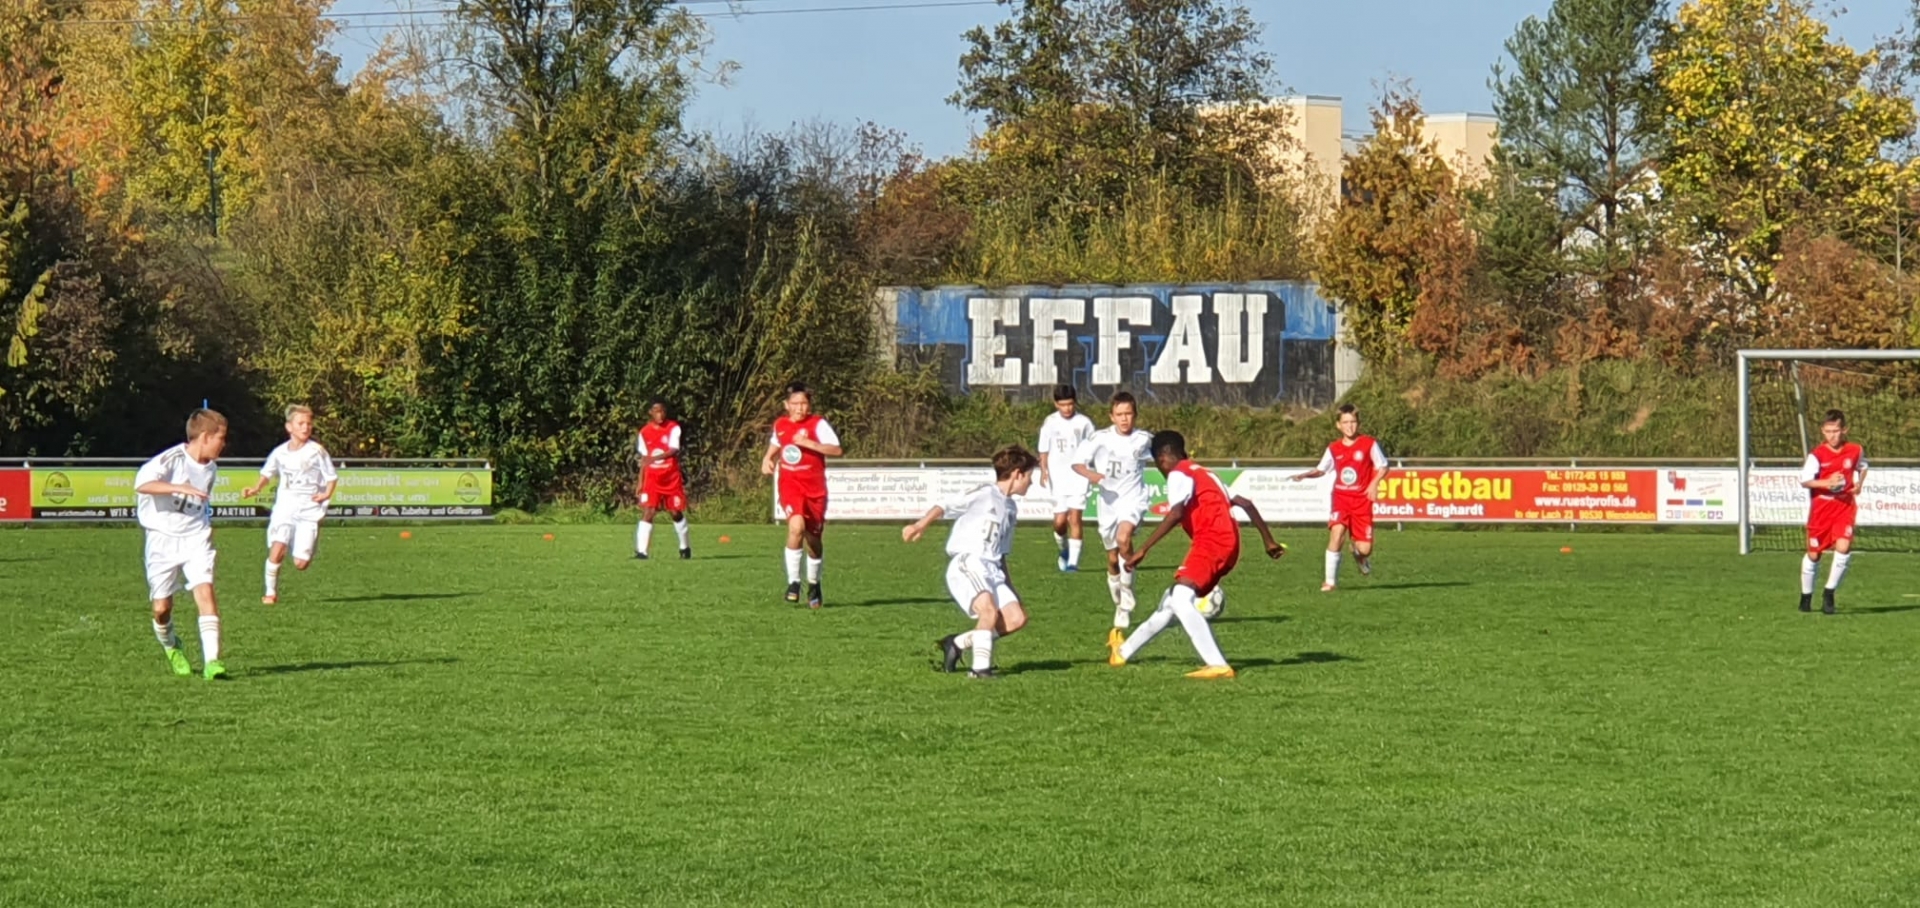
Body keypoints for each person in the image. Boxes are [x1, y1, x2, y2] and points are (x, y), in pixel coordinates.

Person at [1113, 431, 1286, 679]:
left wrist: (1143, 549)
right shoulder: (1205, 473)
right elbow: (1246, 503)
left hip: (1212, 542)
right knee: (1170, 601)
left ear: (1162, 458)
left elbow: (1175, 513)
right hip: (1228, 544)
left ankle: (1217, 664)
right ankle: (1123, 652)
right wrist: (1268, 540)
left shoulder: (1178, 473)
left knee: (1182, 598)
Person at [902, 444, 1039, 680]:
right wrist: (919, 525)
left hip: (992, 569)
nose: (1031, 482)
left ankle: (956, 643)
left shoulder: (1011, 508)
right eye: (1029, 476)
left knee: (1017, 618)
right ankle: (980, 671)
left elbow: (1001, 553)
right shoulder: (985, 493)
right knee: (988, 611)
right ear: (1017, 474)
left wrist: (1011, 588)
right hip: (968, 561)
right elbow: (944, 505)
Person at [135, 408, 230, 680]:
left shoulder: (210, 467)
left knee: (205, 592)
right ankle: (171, 646)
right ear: (204, 437)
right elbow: (142, 484)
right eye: (220, 438)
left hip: (196, 537)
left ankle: (213, 662)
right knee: (161, 609)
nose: (223, 443)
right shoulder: (171, 458)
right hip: (161, 538)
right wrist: (179, 488)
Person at [1072, 392, 1154, 646]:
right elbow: (1077, 463)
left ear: (1135, 415)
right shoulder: (1100, 439)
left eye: (1128, 413)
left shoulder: (1144, 439)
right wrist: (1092, 474)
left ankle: (1127, 592)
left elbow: (1164, 458)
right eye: (1119, 414)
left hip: (1133, 500)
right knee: (1111, 558)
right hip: (1108, 504)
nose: (1124, 419)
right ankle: (1119, 600)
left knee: (1124, 538)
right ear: (1112, 416)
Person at [241, 404, 338, 604]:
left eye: (309, 424)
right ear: (289, 427)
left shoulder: (317, 451)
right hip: (285, 507)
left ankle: (307, 540)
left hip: (309, 508)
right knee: (277, 549)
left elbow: (331, 476)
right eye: (300, 423)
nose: (305, 427)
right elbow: (267, 473)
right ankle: (270, 593)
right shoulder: (279, 452)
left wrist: (326, 494)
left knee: (300, 563)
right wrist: (255, 488)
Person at [1289, 403, 1388, 591]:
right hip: (1341, 499)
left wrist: (1374, 483)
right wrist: (1305, 475)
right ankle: (1330, 582)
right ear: (1338, 425)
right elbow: (1321, 470)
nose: (1350, 426)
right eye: (1345, 422)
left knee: (1365, 549)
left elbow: (1383, 466)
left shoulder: (1369, 444)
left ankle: (1359, 556)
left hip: (1362, 502)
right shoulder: (1334, 448)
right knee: (1337, 534)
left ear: (1358, 423)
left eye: (1353, 422)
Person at [761, 382, 843, 608]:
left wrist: (809, 443)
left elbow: (836, 449)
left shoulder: (818, 424)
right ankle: (793, 582)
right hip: (790, 484)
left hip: (814, 488)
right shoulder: (781, 424)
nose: (800, 408)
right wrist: (767, 458)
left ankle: (814, 583)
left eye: (804, 403)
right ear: (786, 405)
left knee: (814, 541)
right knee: (796, 527)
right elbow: (775, 444)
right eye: (795, 404)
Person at [1799, 409, 1867, 614]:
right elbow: (1805, 481)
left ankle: (1829, 593)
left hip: (1844, 506)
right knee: (1814, 555)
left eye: (1836, 431)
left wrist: (1859, 484)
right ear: (1822, 431)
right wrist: (1827, 482)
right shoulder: (1817, 455)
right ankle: (1806, 596)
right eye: (1828, 431)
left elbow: (1863, 467)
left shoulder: (1855, 450)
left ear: (1844, 430)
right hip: (1821, 509)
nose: (1832, 435)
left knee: (1844, 546)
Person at [1037, 384, 1096, 572]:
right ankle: (1064, 548)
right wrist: (1044, 470)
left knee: (1075, 518)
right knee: (1060, 521)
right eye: (1063, 405)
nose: (1067, 408)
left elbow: (1094, 446)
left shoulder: (1084, 423)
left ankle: (1073, 563)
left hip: (1079, 476)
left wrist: (1093, 469)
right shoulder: (1050, 423)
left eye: (1070, 404)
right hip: (1058, 476)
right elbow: (1044, 449)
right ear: (1056, 404)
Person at [634, 399, 692, 560]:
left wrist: (655, 458)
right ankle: (641, 552)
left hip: (670, 477)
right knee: (649, 512)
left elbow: (673, 450)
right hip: (652, 479)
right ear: (651, 413)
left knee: (675, 512)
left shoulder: (673, 428)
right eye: (657, 411)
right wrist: (640, 482)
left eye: (663, 411)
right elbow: (645, 460)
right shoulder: (644, 432)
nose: (661, 415)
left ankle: (684, 547)